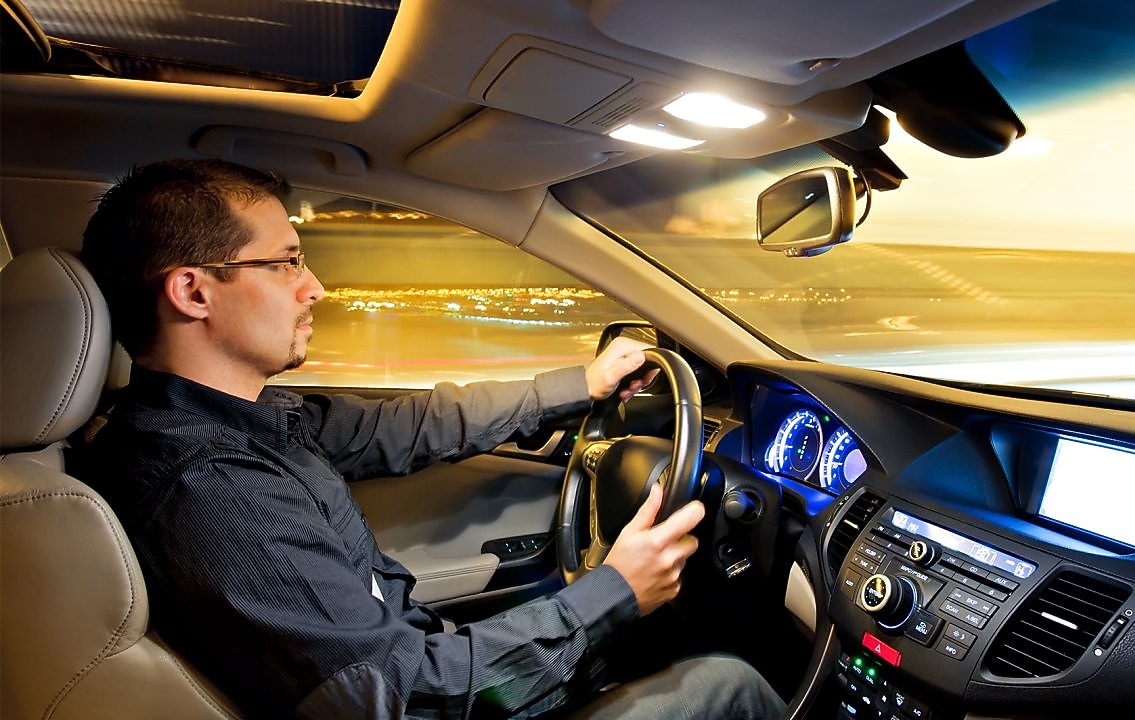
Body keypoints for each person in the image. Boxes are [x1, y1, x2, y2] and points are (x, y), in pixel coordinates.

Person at [73, 158, 786, 720]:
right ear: (193, 292)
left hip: (419, 662)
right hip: (423, 695)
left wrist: (584, 384)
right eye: (286, 262)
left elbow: (408, 426)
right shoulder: (210, 486)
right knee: (729, 684)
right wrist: (616, 590)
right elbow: (402, 695)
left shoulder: (236, 423)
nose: (314, 287)